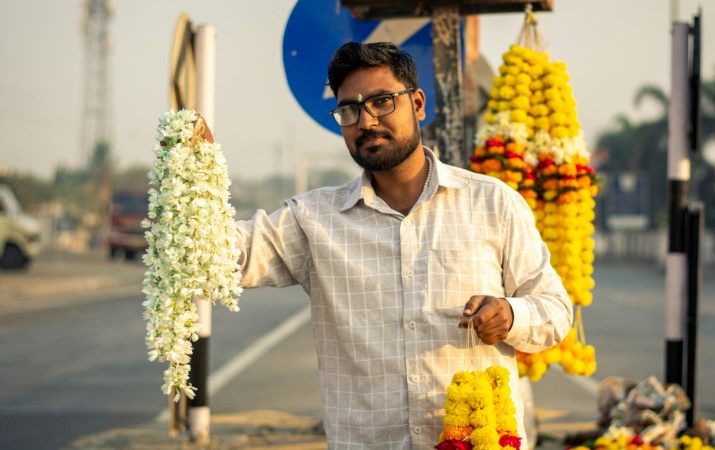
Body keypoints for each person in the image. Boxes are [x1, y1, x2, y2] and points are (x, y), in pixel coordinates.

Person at [228, 41, 572, 449]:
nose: (367, 121)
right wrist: (193, 166)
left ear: (418, 103)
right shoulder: (314, 220)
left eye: (382, 101)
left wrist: (510, 315)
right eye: (350, 110)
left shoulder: (492, 202)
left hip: (478, 440)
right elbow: (230, 256)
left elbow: (555, 308)